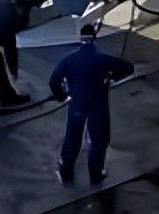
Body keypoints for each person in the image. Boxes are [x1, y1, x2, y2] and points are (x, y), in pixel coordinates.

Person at [50, 24, 134, 186]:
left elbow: (54, 81)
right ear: (95, 38)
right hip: (98, 105)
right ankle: (96, 174)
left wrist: (62, 96)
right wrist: (111, 77)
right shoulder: (102, 59)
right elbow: (128, 68)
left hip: (77, 104)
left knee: (72, 137)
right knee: (98, 140)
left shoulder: (69, 59)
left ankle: (66, 172)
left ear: (80, 39)